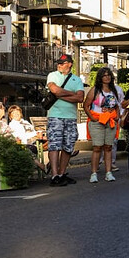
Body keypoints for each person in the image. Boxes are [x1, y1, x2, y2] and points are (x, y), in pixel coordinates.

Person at [46, 53, 85, 186]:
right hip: (55, 116)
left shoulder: (77, 80)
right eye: (58, 63)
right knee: (54, 145)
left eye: (62, 63)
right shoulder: (52, 75)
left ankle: (62, 173)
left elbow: (80, 98)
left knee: (68, 146)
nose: (59, 65)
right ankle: (54, 175)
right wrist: (71, 94)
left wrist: (61, 94)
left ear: (69, 64)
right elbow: (54, 90)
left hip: (70, 117)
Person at [84, 67, 120, 183]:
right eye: (104, 75)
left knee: (108, 147)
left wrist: (117, 116)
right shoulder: (95, 90)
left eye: (109, 75)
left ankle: (108, 172)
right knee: (97, 147)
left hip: (110, 121)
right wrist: (92, 117)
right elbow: (86, 105)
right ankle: (94, 173)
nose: (107, 77)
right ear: (100, 78)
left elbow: (117, 105)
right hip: (97, 121)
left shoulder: (113, 90)